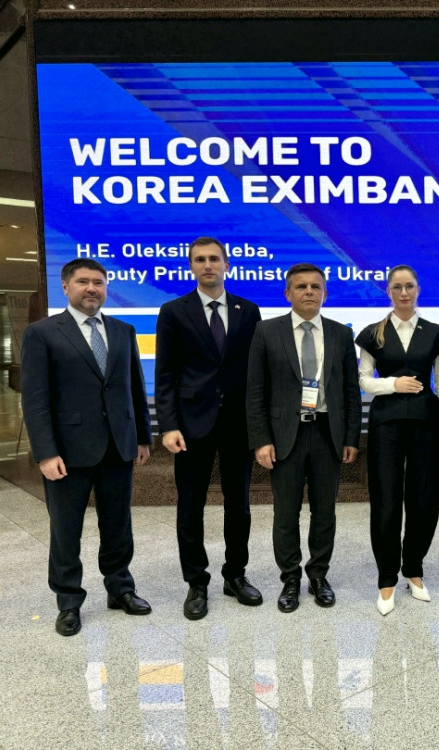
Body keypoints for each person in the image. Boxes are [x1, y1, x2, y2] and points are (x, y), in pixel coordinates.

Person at [21, 258, 153, 636]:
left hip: (118, 447)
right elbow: (35, 399)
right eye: (83, 281)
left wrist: (142, 437)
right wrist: (46, 452)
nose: (92, 288)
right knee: (66, 530)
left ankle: (120, 588)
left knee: (118, 525)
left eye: (98, 281)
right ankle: (68, 601)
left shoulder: (124, 331)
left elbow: (134, 388)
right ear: (66, 287)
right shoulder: (42, 333)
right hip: (66, 452)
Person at [155, 236, 263, 621]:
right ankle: (196, 582)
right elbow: (165, 373)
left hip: (238, 425)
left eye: (214, 259)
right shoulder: (173, 311)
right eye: (199, 259)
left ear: (227, 264)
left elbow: (256, 373)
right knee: (190, 506)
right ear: (191, 266)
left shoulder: (248, 310)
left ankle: (235, 575)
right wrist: (168, 425)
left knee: (239, 506)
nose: (207, 265)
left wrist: (259, 425)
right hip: (190, 425)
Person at [246, 263, 362, 612]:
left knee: (325, 511)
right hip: (285, 435)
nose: (309, 291)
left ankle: (318, 575)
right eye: (301, 286)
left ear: (325, 293)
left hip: (328, 433)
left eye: (315, 286)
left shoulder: (341, 334)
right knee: (286, 512)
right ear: (288, 294)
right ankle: (291, 579)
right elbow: (256, 390)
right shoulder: (267, 331)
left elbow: (351, 390)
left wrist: (351, 437)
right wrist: (261, 439)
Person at [356, 265, 439, 615]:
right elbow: (363, 379)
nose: (404, 292)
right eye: (397, 287)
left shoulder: (435, 333)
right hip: (386, 423)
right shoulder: (373, 334)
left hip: (426, 422)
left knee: (424, 499)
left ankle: (413, 569)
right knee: (386, 500)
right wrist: (392, 384)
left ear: (418, 289)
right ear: (388, 291)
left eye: (409, 286)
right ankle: (386, 578)